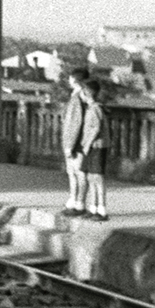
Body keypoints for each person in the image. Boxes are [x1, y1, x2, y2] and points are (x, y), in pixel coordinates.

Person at [59, 66, 90, 217]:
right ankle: (74, 200)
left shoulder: (78, 97)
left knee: (78, 173)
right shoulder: (80, 96)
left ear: (74, 79)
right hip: (75, 140)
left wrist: (69, 144)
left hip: (76, 141)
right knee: (73, 173)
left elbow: (75, 122)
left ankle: (79, 203)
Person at [79, 79, 110, 222]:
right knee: (91, 177)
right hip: (92, 146)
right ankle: (93, 207)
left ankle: (102, 209)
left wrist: (87, 144)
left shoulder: (96, 108)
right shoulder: (91, 108)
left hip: (97, 146)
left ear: (87, 94)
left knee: (98, 177)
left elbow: (96, 128)